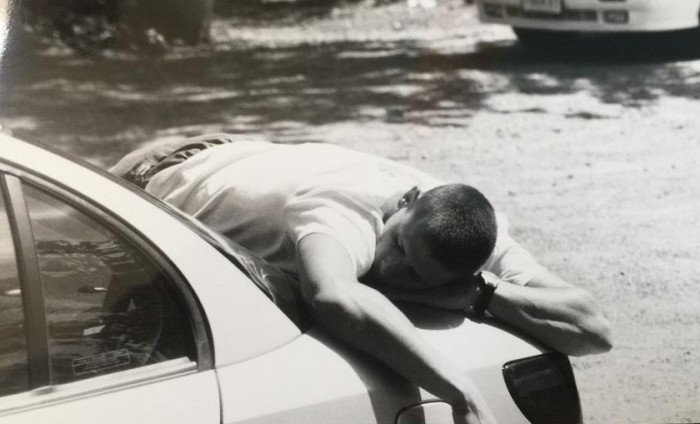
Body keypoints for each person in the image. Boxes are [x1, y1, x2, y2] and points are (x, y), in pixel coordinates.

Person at [111, 134, 613, 424]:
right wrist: (460, 392)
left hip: (233, 158)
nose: (393, 269)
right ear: (405, 202)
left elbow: (593, 331)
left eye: (419, 276)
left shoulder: (473, 227)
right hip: (147, 179)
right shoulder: (347, 203)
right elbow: (334, 296)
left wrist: (485, 293)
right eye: (398, 248)